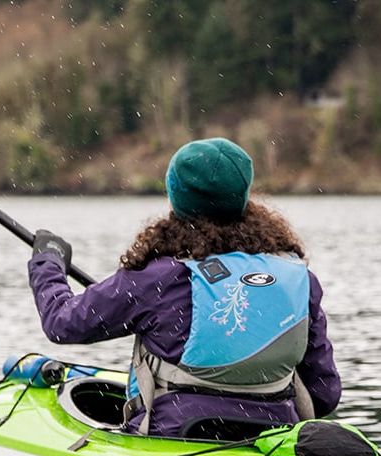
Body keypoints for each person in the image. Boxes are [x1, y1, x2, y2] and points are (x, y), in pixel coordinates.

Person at [28, 137, 341, 438]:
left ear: (176, 198)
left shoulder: (157, 279)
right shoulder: (299, 279)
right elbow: (324, 394)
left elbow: (61, 322)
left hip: (177, 440)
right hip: (272, 440)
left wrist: (48, 262)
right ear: (243, 196)